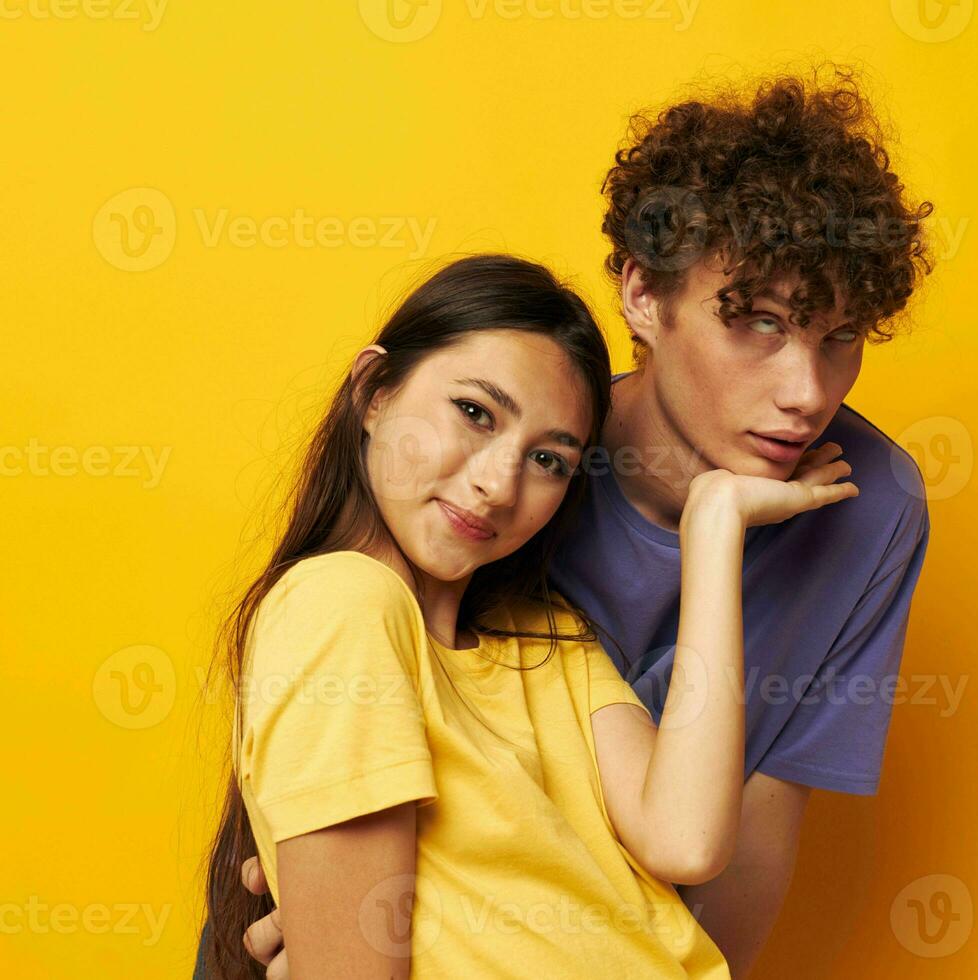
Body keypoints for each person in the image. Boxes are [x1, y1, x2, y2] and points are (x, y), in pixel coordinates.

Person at [214, 65, 935, 979]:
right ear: (642, 295)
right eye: (755, 322)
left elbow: (726, 843)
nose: (806, 395)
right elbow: (331, 783)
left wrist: (715, 528)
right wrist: (323, 926)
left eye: (840, 339)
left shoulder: (549, 630)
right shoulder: (380, 584)